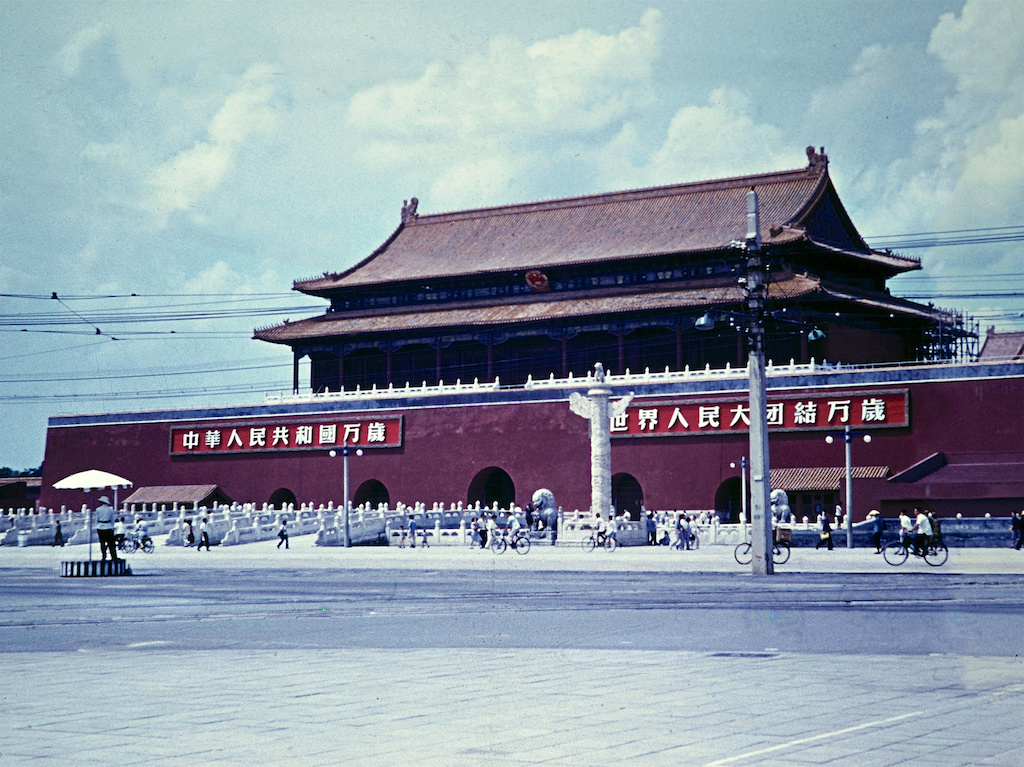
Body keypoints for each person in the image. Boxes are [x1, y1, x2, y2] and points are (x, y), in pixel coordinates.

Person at [95, 496, 117, 562]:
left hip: (100, 527)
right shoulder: (110, 509)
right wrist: (112, 527)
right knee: (111, 543)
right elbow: (112, 519)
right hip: (108, 526)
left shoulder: (98, 509)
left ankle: (104, 556)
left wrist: (97, 525)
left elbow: (97, 519)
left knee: (102, 543)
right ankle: (113, 556)